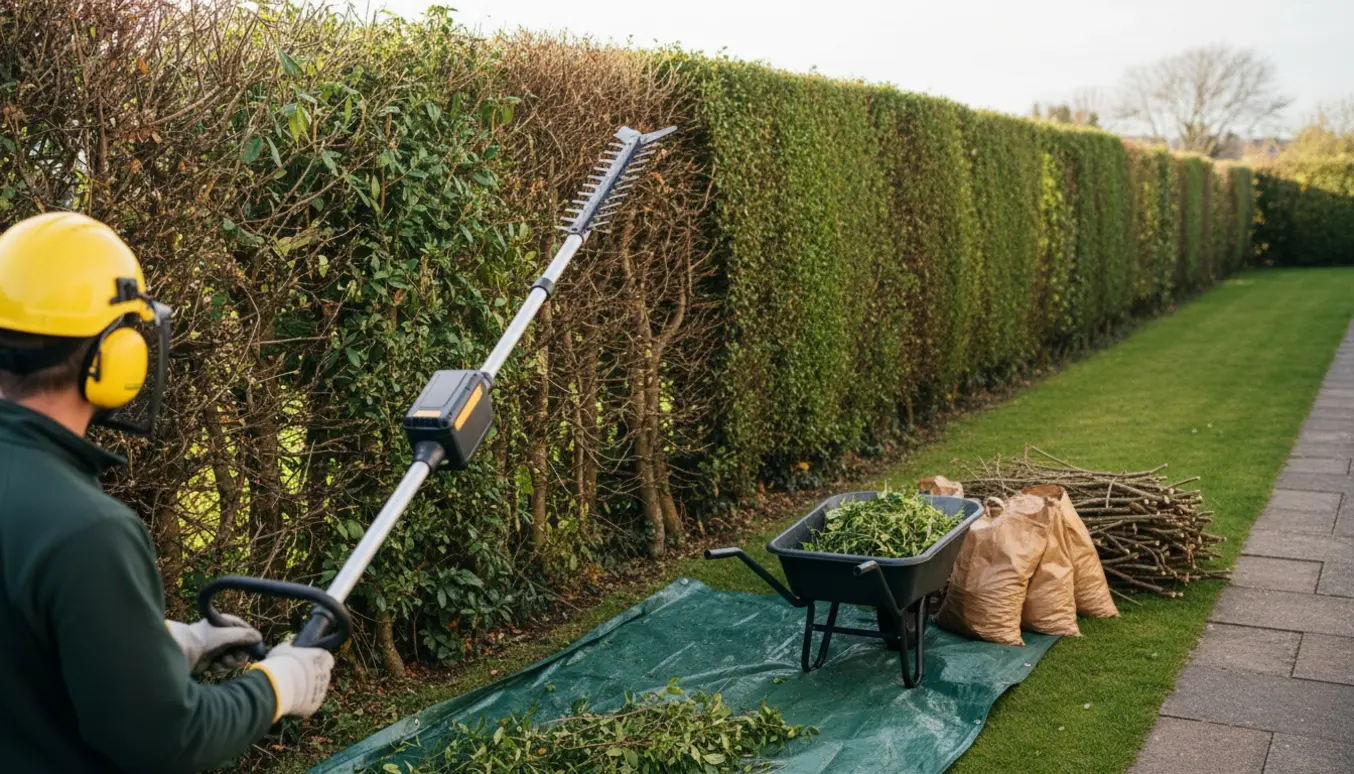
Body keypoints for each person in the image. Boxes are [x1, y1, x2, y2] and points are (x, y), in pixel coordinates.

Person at [0, 212, 335, 773]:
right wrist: (278, 686)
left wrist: (162, 647)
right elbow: (164, 738)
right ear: (117, 356)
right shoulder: (87, 531)